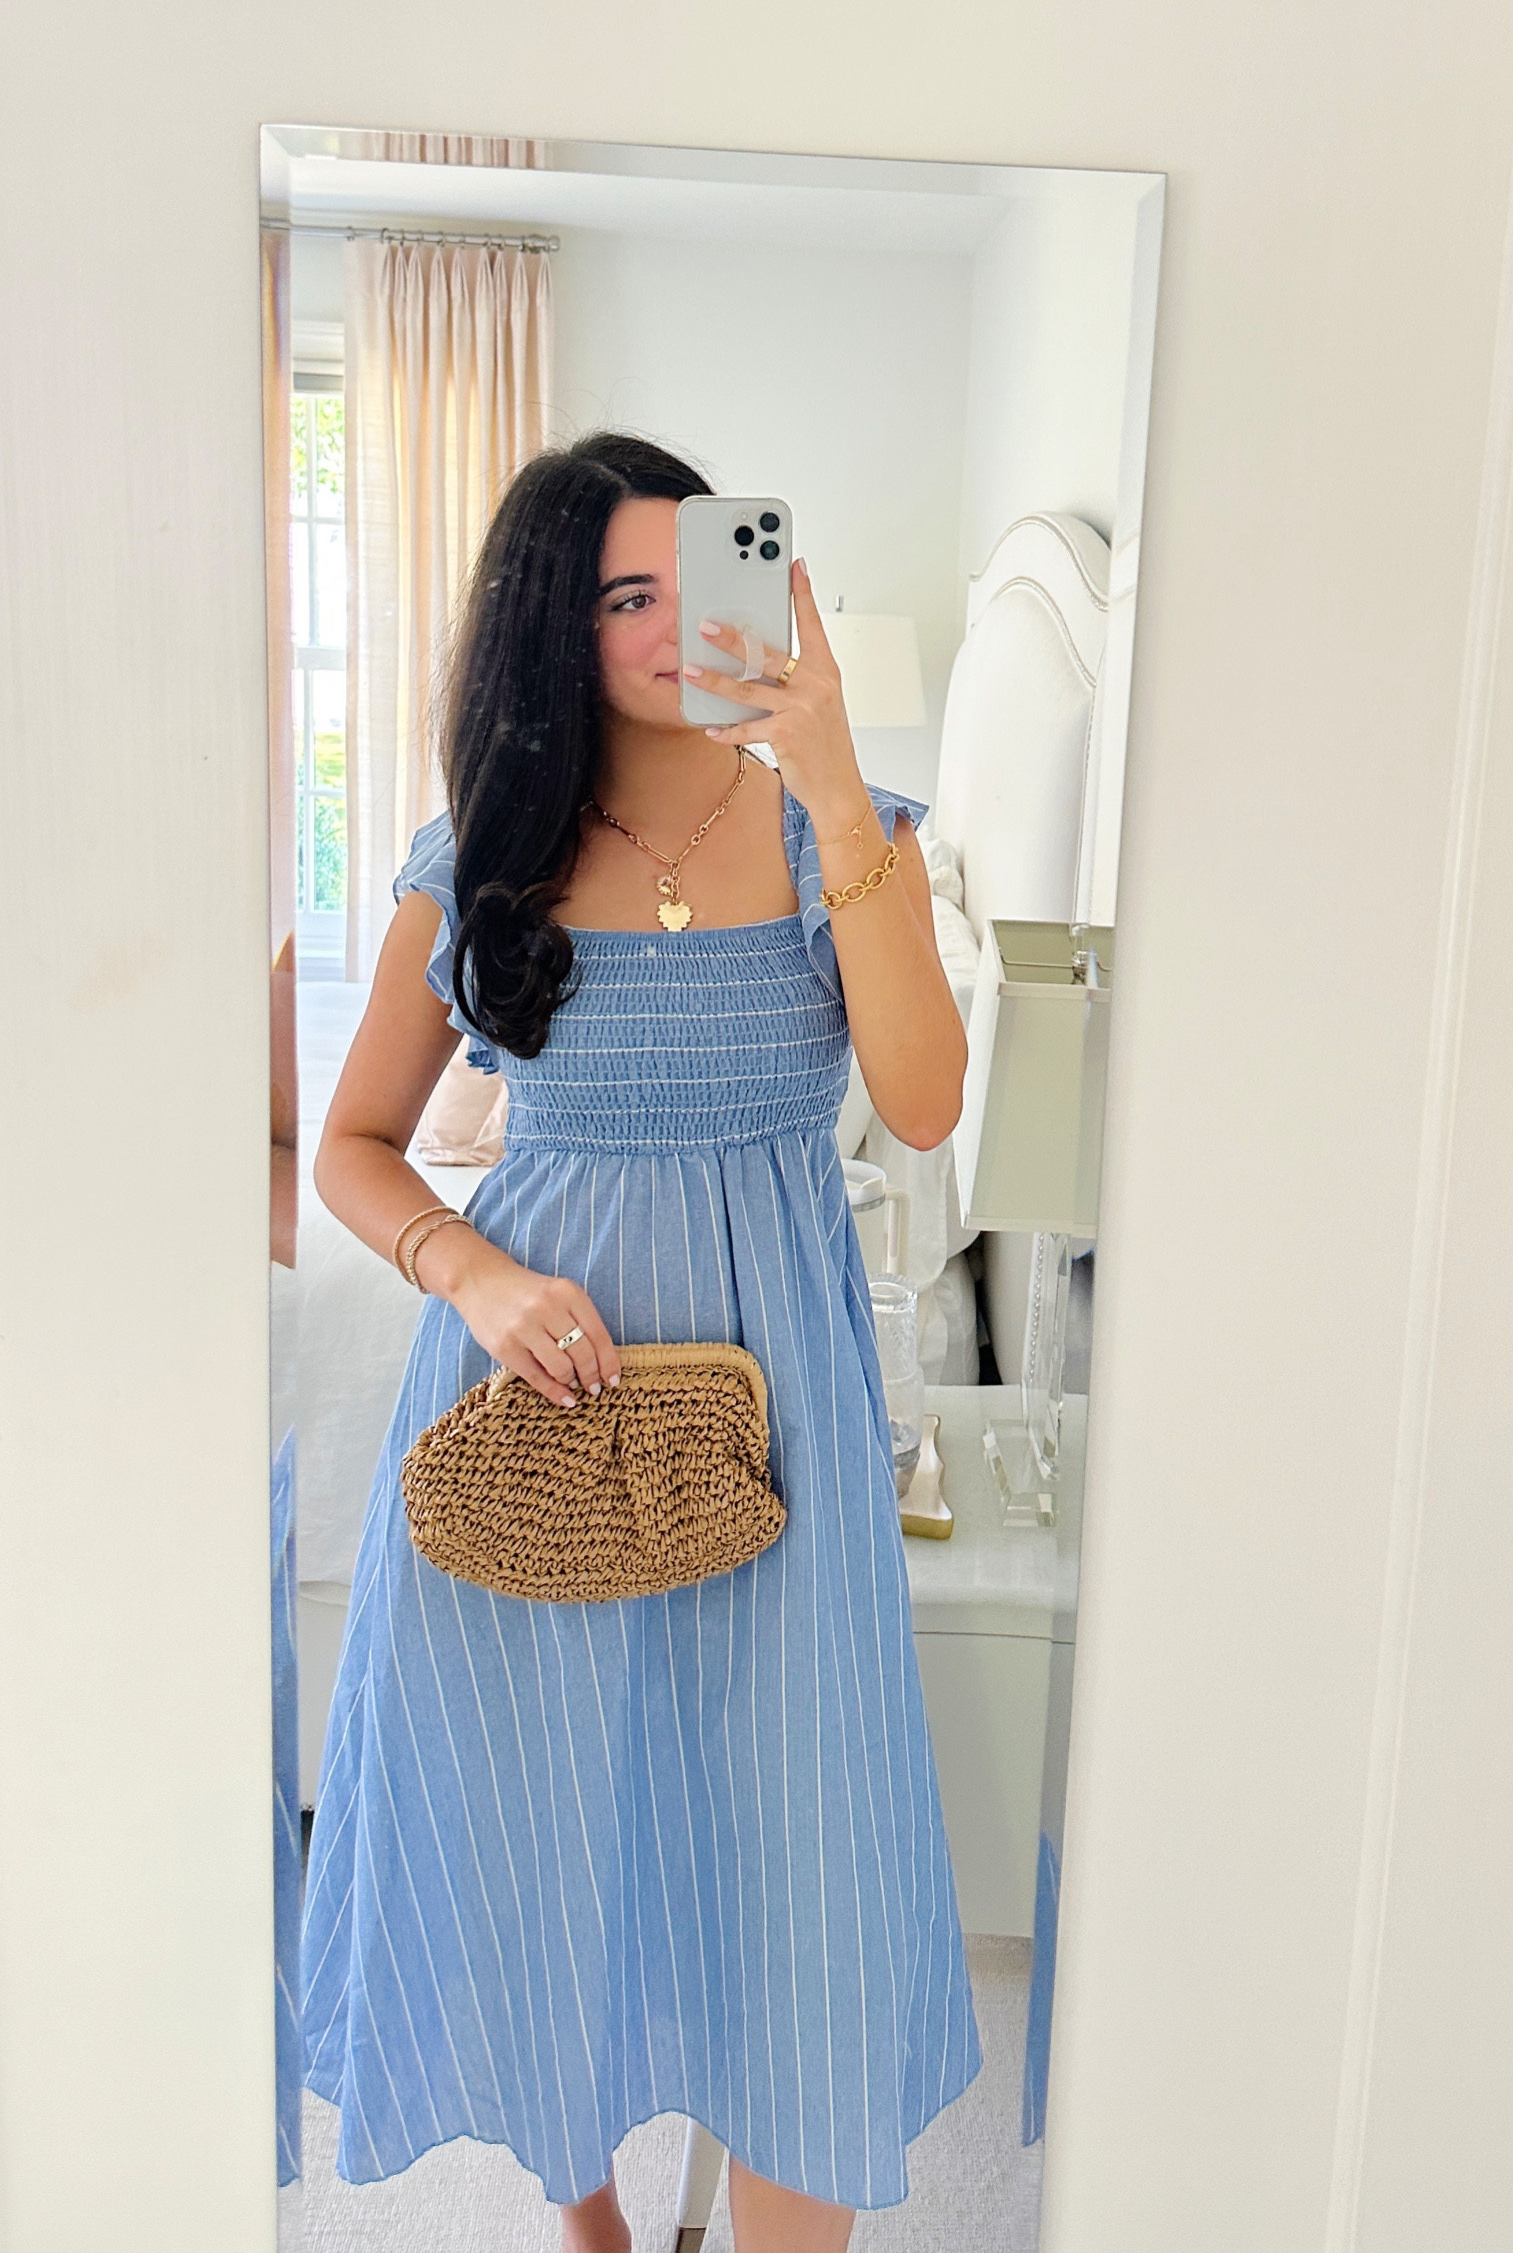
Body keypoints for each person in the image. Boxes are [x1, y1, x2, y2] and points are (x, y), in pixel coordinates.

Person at [300, 432, 981, 2253]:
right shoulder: (483, 858)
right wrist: (471, 1272)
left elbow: (923, 1104)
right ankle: (600, 2226)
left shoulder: (854, 836)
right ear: (554, 624)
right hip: (537, 1400)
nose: (675, 626)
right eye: (624, 596)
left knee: (794, 1856)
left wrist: (834, 780)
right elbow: (348, 1148)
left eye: (704, 578)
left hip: (779, 1420)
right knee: (545, 1842)